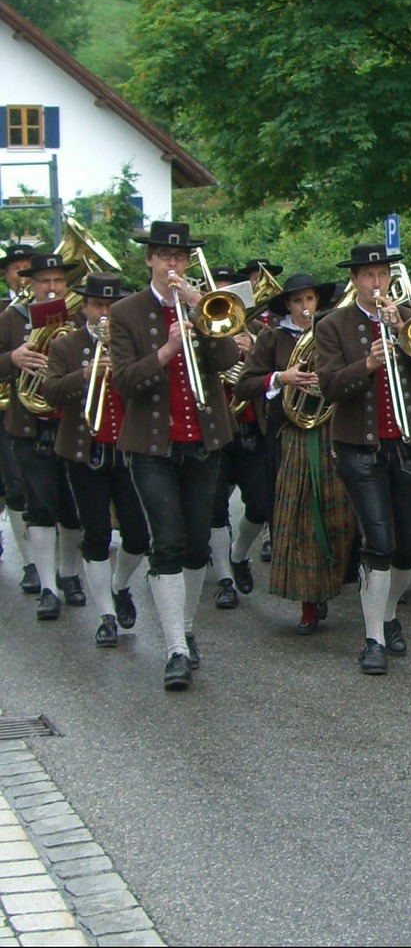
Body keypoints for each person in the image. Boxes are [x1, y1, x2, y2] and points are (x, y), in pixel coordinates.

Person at [110, 220, 242, 692]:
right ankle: (174, 649)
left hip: (203, 441)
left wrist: (199, 312)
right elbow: (123, 380)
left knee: (194, 543)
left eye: (181, 257)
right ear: (149, 259)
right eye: (165, 256)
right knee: (165, 540)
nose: (173, 264)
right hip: (151, 444)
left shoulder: (203, 304)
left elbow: (228, 360)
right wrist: (166, 351)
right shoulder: (126, 312)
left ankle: (185, 629)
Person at [315, 243, 411, 676]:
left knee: (409, 547)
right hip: (359, 448)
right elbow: (328, 386)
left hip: (406, 444)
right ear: (354, 280)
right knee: (379, 542)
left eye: (382, 275)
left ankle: (387, 614)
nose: (377, 283)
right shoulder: (333, 325)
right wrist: (366, 363)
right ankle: (372, 638)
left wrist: (405, 332)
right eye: (368, 276)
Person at [237, 271, 354, 635]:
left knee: (339, 518)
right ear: (287, 305)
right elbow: (245, 384)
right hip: (292, 438)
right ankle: (307, 602)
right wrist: (281, 378)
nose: (306, 307)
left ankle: (330, 585)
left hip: (333, 434)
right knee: (300, 522)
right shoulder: (273, 338)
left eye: (310, 300)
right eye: (298, 301)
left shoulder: (332, 332)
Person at [41, 272, 149, 647]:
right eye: (97, 305)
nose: (104, 312)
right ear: (84, 307)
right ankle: (105, 615)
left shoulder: (131, 340)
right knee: (96, 534)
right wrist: (85, 374)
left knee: (138, 534)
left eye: (110, 305)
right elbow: (50, 392)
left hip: (129, 446)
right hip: (85, 449)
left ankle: (120, 586)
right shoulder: (66, 344)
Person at [0, 250, 86, 620]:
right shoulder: (11, 318)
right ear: (30, 284)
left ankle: (70, 575)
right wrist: (12, 359)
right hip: (29, 424)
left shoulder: (80, 316)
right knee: (40, 506)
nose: (52, 288)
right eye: (45, 281)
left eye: (59, 281)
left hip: (72, 421)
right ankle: (48, 587)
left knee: (72, 506)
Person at [203, 266, 270, 610]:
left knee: (260, 504)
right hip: (215, 429)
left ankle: (239, 554)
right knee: (215, 508)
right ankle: (225, 579)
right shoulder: (201, 330)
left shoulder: (259, 331)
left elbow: (280, 368)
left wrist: (253, 348)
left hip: (250, 429)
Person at [0, 242, 38, 586]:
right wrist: (12, 357)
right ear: (7, 275)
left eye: (29, 268)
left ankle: (38, 564)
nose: (22, 275)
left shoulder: (51, 310)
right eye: (17, 269)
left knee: (25, 487)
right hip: (7, 410)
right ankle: (30, 563)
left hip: (32, 409)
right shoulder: (5, 313)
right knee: (12, 486)